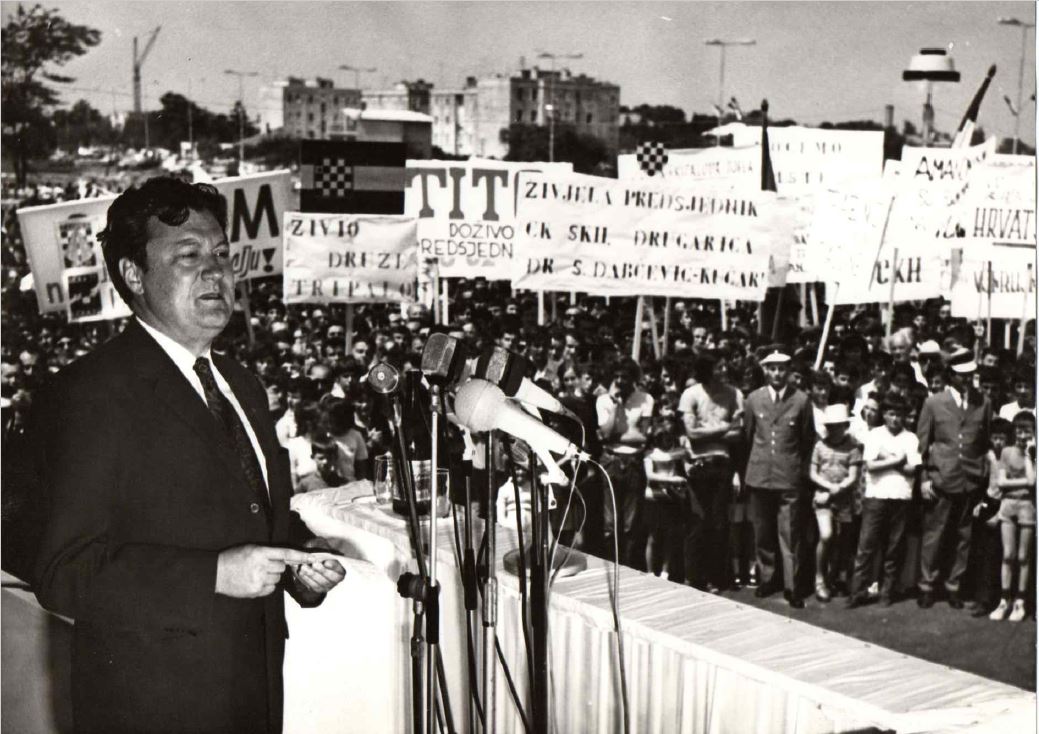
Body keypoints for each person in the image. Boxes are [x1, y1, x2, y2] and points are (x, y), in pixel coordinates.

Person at [30, 177, 344, 733]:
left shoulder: (243, 386)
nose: (216, 271)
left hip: (253, 693)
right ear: (134, 275)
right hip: (150, 705)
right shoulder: (90, 394)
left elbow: (254, 512)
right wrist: (214, 575)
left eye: (222, 254)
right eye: (189, 255)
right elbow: (63, 571)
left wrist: (301, 557)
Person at [916, 348, 992, 610]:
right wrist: (924, 479)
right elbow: (922, 446)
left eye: (970, 374)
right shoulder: (934, 403)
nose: (967, 379)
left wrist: (982, 474)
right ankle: (927, 585)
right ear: (950, 375)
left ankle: (954, 586)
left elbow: (984, 441)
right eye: (962, 375)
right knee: (934, 536)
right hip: (941, 479)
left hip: (970, 480)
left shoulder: (983, 402)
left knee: (964, 537)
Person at [743, 346, 816, 608]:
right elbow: (749, 435)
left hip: (789, 475)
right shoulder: (753, 399)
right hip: (760, 473)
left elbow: (807, 439)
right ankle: (768, 578)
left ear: (789, 371)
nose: (777, 373)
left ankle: (792, 585)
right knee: (762, 532)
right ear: (765, 371)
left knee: (790, 533)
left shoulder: (801, 400)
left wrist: (800, 470)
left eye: (782, 368)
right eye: (772, 368)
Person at [678, 352, 744, 592]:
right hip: (698, 466)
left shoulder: (735, 394)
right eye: (719, 365)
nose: (725, 368)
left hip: (722, 466)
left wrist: (707, 431)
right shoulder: (690, 395)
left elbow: (738, 433)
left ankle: (716, 578)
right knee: (697, 523)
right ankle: (695, 578)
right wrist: (723, 428)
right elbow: (691, 434)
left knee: (719, 525)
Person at [847, 395, 919, 608]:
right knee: (866, 546)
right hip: (876, 495)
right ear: (884, 415)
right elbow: (871, 466)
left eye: (899, 415)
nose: (895, 419)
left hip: (901, 496)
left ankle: (887, 592)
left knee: (894, 548)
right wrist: (898, 459)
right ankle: (857, 591)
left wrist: (885, 458)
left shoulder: (911, 438)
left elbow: (911, 470)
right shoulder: (875, 435)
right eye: (890, 414)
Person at [808, 404, 861, 602]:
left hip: (843, 499)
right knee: (827, 534)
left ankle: (833, 578)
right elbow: (813, 473)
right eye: (830, 426)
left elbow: (853, 476)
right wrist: (828, 488)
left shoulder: (853, 448)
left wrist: (838, 489)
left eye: (838, 426)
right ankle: (819, 579)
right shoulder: (820, 445)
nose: (834, 430)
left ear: (845, 426)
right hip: (823, 497)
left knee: (841, 542)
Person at [988, 411, 1036, 622]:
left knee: (1023, 556)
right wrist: (1023, 482)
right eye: (1019, 429)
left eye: (1027, 430)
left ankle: (1020, 602)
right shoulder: (1006, 451)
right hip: (1007, 507)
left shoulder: (1033, 454)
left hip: (1027, 507)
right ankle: (1004, 600)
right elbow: (1001, 482)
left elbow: (1033, 482)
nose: (1022, 434)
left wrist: (1028, 455)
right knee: (1008, 554)